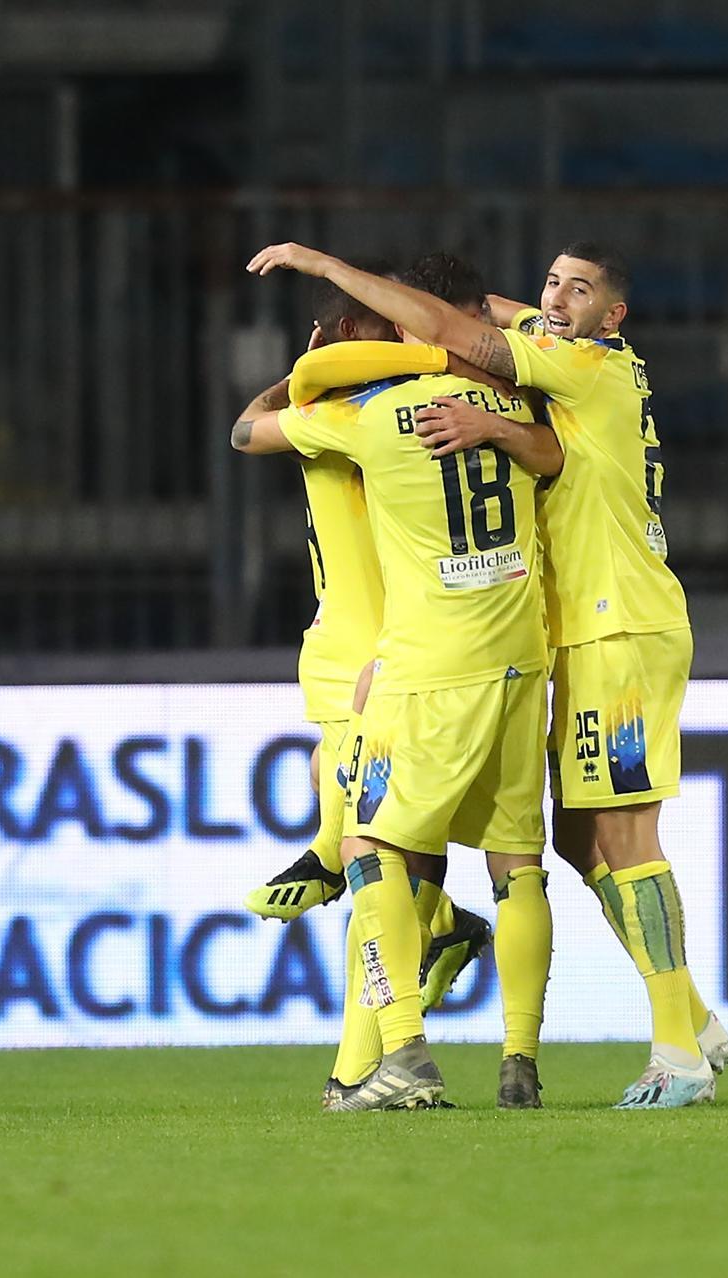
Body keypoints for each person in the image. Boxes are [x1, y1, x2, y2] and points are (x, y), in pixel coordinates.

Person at [254, 241, 728, 1108]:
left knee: (619, 841)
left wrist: (328, 272)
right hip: (554, 640)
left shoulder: (566, 369)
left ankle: (677, 1050)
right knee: (576, 849)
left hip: (603, 627)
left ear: (612, 312)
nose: (551, 298)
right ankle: (685, 1019)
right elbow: (498, 351)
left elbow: (440, 338)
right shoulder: (557, 369)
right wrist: (499, 394)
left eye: (577, 288)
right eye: (549, 282)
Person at [237, 250, 563, 1111]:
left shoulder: (367, 414)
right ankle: (519, 1064)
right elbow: (552, 385)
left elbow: (248, 430)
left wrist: (315, 367)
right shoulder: (529, 407)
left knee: (371, 850)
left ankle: (402, 1056)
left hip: (422, 665)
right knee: (517, 864)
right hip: (522, 658)